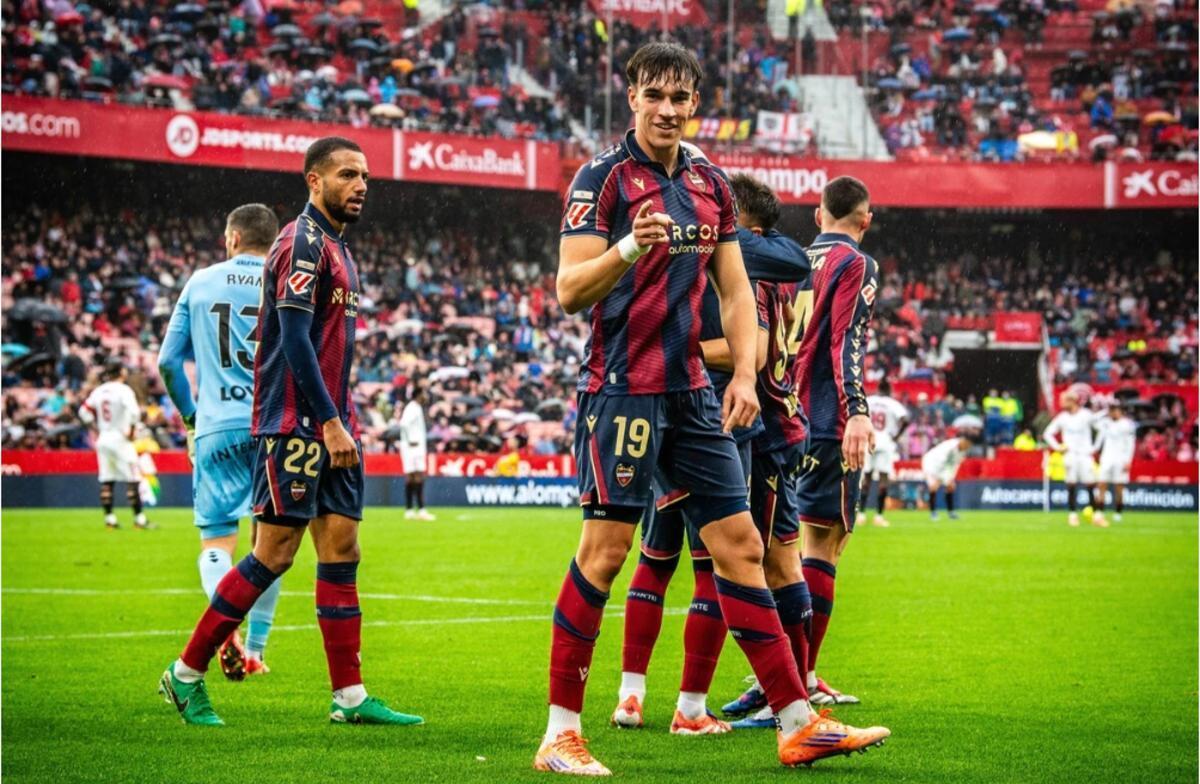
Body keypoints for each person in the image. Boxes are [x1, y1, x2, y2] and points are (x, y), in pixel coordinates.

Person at [537, 43, 887, 775]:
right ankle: (561, 734)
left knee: (741, 548)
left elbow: (734, 288)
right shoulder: (601, 179)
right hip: (623, 387)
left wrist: (744, 373)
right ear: (631, 95)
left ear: (695, 102)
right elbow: (569, 291)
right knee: (604, 554)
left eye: (681, 96)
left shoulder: (709, 181)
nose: (668, 108)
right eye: (654, 94)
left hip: (695, 395)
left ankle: (798, 722)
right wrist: (629, 246)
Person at [158, 136, 422, 727]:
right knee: (272, 554)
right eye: (348, 175)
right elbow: (295, 337)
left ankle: (349, 698)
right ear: (313, 180)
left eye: (365, 178)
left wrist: (340, 419)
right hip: (296, 425)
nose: (360, 186)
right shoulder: (301, 242)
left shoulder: (337, 246)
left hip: (333, 421)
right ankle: (183, 675)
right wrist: (327, 421)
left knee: (342, 550)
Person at [611, 172, 806, 736]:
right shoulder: (743, 269)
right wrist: (688, 352)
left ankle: (631, 694)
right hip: (714, 428)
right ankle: (691, 708)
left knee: (653, 558)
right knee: (715, 567)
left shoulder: (702, 262)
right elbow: (765, 336)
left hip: (668, 410)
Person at [157, 203, 284, 679]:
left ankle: (222, 629)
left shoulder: (201, 281)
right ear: (273, 242)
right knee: (268, 546)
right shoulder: (285, 283)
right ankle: (254, 649)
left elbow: (169, 363)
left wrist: (192, 421)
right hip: (272, 426)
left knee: (217, 542)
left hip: (216, 426)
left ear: (231, 237)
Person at [792, 176, 878, 707]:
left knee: (796, 547)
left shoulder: (796, 259)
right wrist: (857, 411)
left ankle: (787, 672)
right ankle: (799, 678)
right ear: (865, 219)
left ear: (818, 215)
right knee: (826, 544)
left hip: (788, 413)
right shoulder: (856, 263)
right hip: (827, 415)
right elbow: (847, 339)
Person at [79, 359, 151, 530]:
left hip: (104, 437)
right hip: (120, 437)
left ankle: (110, 519)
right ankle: (139, 520)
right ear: (121, 372)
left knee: (107, 479)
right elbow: (134, 412)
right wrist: (132, 431)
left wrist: (96, 429)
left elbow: (83, 412)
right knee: (133, 478)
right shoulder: (124, 390)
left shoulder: (99, 391)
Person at [1043, 390, 1105, 528]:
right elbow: (1047, 433)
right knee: (1071, 485)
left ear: (1072, 401)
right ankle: (1072, 515)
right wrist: (1058, 447)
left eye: (1064, 400)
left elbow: (1101, 429)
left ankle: (1096, 515)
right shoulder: (1062, 417)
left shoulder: (1086, 415)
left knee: (1090, 485)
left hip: (1085, 455)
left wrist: (1095, 447)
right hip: (1070, 455)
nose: (1062, 404)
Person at [857, 380, 909, 528]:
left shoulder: (869, 400)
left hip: (869, 440)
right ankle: (879, 516)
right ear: (889, 390)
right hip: (885, 442)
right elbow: (905, 419)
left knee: (865, 478)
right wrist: (897, 436)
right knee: (883, 479)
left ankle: (861, 515)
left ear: (878, 388)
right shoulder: (892, 403)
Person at [1095, 401, 1137, 524]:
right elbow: (1093, 421)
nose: (1113, 412)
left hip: (1120, 460)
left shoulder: (1127, 425)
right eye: (1111, 410)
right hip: (1106, 458)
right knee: (1102, 485)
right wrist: (1104, 412)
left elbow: (1131, 444)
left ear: (1121, 411)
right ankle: (1100, 512)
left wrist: (1128, 461)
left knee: (1119, 488)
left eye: (1115, 410)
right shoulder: (1105, 423)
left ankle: (1118, 513)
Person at [400, 387, 434, 520]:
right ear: (418, 395)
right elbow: (404, 424)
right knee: (416, 476)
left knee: (414, 477)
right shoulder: (412, 408)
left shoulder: (416, 407)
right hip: (412, 446)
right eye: (424, 393)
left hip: (415, 446)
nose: (426, 396)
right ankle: (420, 509)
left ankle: (410, 509)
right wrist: (410, 440)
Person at [922, 434, 972, 520]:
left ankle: (951, 513)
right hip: (931, 463)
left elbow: (955, 465)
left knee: (951, 486)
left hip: (944, 467)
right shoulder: (950, 448)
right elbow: (941, 462)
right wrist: (939, 478)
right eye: (967, 444)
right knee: (933, 487)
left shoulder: (963, 451)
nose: (967, 447)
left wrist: (951, 478)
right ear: (962, 441)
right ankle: (933, 513)